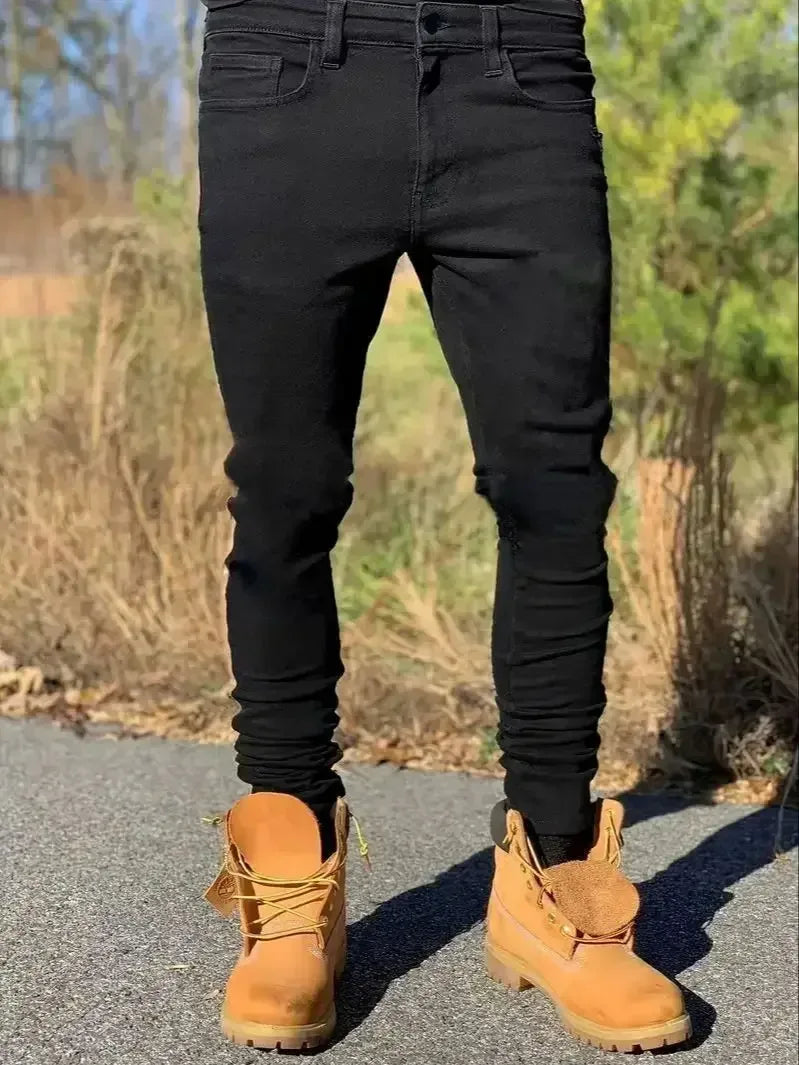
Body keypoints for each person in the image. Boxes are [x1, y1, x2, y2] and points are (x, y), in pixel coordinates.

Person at [197, 0, 691, 1053]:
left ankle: (554, 875)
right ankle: (290, 872)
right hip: (285, 71)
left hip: (519, 73)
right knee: (286, 485)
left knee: (552, 485)